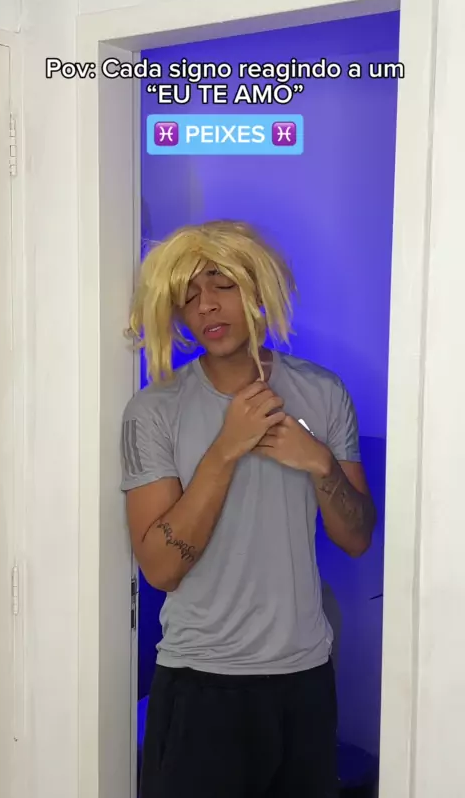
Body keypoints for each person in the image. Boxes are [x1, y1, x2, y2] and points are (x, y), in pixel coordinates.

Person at [121, 220, 376, 798]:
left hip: (304, 678)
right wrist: (225, 449)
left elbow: (357, 537)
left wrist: (321, 464)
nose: (205, 305)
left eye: (222, 284)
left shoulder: (324, 393)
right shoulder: (154, 410)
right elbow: (160, 568)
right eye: (188, 294)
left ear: (257, 287)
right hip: (200, 683)